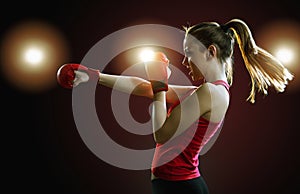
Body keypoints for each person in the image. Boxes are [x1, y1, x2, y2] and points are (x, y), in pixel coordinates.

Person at [57, 18, 293, 194]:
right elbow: (145, 88)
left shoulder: (210, 93)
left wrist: (160, 82)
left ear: (210, 51)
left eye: (190, 53)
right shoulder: (209, 91)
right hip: (177, 185)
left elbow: (161, 133)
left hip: (179, 187)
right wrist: (95, 76)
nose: (185, 61)